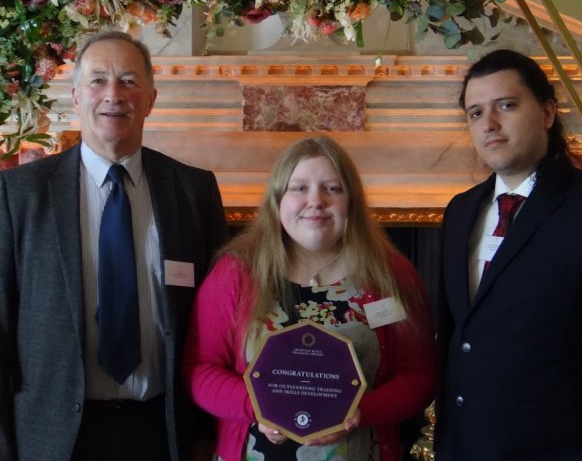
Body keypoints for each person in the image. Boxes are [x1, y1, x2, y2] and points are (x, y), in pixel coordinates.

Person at [0, 30, 228, 461]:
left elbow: (218, 327)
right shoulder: (21, 194)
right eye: (98, 80)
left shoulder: (193, 191)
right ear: (76, 96)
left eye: (128, 81)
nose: (113, 95)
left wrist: (211, 437)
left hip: (161, 434)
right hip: (53, 439)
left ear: (151, 99)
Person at [435, 49, 582, 460]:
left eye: (506, 105)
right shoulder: (459, 212)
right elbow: (457, 342)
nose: (488, 124)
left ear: (546, 112)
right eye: (475, 113)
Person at [183, 136, 437, 461]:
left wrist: (361, 410)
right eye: (299, 188)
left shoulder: (391, 275)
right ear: (277, 201)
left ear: (352, 202)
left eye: (332, 188)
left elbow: (420, 375)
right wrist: (256, 406)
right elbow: (199, 369)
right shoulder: (235, 273)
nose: (316, 201)